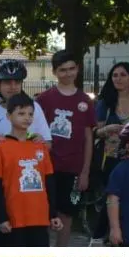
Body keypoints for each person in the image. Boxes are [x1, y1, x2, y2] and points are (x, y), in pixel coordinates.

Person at [36, 51, 95, 246]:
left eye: (71, 68)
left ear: (77, 69)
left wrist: (85, 171)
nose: (68, 73)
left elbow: (88, 138)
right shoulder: (44, 99)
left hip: (73, 168)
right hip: (46, 167)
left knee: (66, 215)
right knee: (43, 213)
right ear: (54, 72)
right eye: (62, 70)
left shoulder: (85, 101)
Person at [0, 93, 58, 247]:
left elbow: (49, 182)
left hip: (39, 217)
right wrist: (0, 217)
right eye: (21, 113)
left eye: (30, 114)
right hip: (14, 218)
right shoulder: (0, 148)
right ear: (9, 116)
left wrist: (53, 214)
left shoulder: (40, 146)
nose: (27, 117)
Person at [92, 62, 129, 238]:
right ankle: (98, 237)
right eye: (115, 75)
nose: (118, 79)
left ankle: (121, 237)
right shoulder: (105, 103)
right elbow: (95, 132)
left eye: (122, 75)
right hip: (110, 158)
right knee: (112, 198)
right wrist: (108, 129)